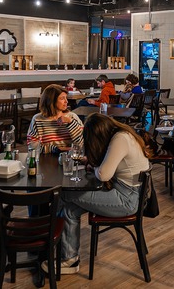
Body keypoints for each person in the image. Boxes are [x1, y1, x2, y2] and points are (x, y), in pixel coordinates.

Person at [46, 113, 150, 274]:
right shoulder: (123, 134)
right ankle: (69, 258)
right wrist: (93, 165)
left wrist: (94, 167)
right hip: (128, 193)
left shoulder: (120, 139)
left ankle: (51, 245)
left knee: (65, 195)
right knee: (69, 210)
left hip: (126, 199)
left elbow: (104, 175)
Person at [26, 84, 84, 151]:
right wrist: (57, 149)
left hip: (70, 158)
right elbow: (32, 146)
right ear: (51, 101)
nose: (66, 101)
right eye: (62, 98)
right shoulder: (37, 119)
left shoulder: (72, 117)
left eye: (66, 98)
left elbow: (81, 144)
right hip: (47, 159)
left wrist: (70, 123)